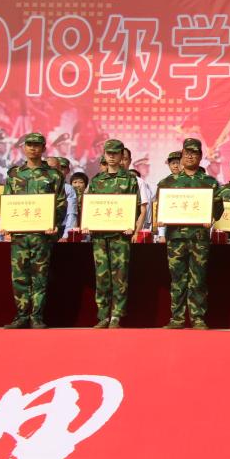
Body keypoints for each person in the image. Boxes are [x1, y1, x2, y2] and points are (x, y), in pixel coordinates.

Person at [155, 138, 224, 330]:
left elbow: (219, 210)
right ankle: (177, 318)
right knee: (177, 278)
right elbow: (160, 208)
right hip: (175, 238)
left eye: (194, 153)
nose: (190, 156)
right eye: (187, 153)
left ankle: (197, 318)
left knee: (198, 279)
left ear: (201, 156)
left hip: (199, 238)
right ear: (182, 155)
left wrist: (210, 216)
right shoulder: (168, 182)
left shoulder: (209, 182)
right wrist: (160, 218)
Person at [1, 133, 67, 329]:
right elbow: (7, 200)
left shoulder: (53, 175)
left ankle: (36, 316)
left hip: (41, 235)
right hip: (19, 235)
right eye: (29, 145)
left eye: (37, 145)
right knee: (19, 276)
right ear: (24, 147)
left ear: (43, 148)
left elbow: (61, 203)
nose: (32, 148)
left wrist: (54, 224)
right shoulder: (14, 174)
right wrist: (5, 223)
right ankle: (21, 316)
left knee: (40, 276)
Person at [83, 139, 141, 329]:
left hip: (120, 236)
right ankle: (103, 316)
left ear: (122, 155)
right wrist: (87, 223)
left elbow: (136, 206)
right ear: (104, 155)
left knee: (120, 276)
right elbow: (89, 206)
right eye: (109, 153)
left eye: (116, 153)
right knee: (102, 276)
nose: (112, 157)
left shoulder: (130, 179)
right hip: (100, 236)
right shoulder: (97, 180)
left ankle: (116, 315)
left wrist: (131, 224)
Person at [121, 147, 152, 231]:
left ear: (130, 161)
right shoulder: (103, 180)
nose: (121, 162)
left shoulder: (139, 182)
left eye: (125, 159)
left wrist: (139, 231)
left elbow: (145, 210)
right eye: (144, 166)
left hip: (132, 229)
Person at [47, 156, 77, 236]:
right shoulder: (40, 186)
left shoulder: (68, 189)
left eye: (62, 168)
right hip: (40, 229)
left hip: (61, 230)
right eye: (51, 168)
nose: (59, 171)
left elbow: (71, 214)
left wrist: (66, 235)